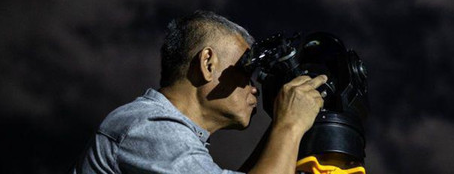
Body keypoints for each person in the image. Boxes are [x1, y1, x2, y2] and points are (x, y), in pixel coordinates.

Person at [72, 10, 327, 174]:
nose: (254, 89)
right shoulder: (146, 126)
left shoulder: (164, 134)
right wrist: (290, 126)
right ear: (207, 64)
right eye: (245, 72)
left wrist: (281, 127)